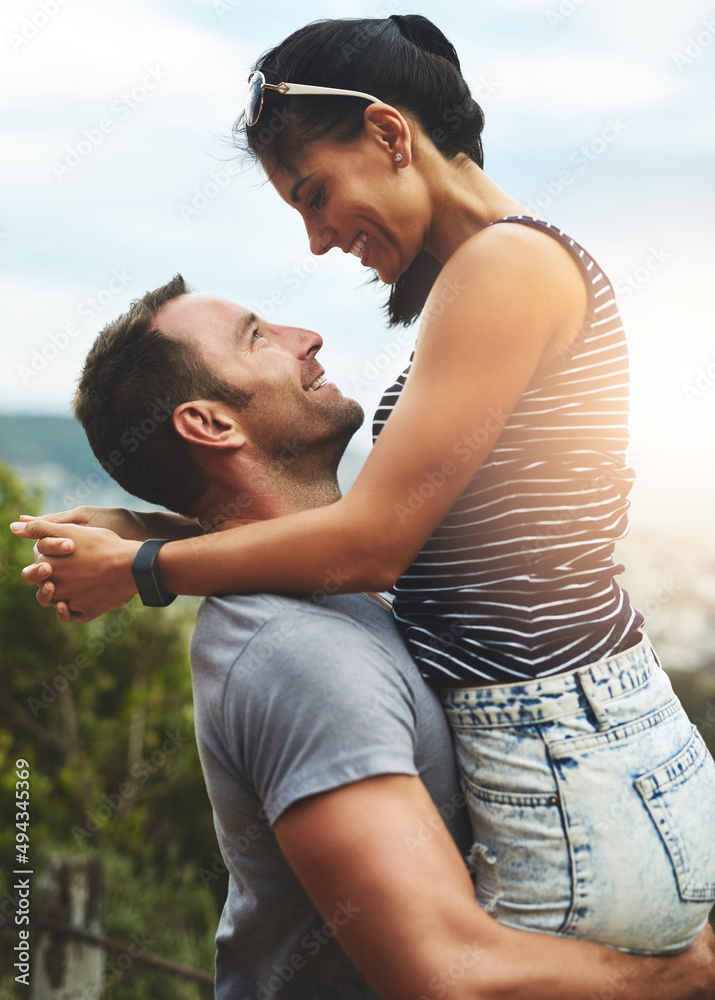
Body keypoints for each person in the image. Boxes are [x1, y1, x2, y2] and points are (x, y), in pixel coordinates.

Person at [15, 14, 715, 956]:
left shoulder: (503, 266)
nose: (313, 240)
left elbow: (373, 545)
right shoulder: (498, 267)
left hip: (562, 754)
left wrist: (144, 567)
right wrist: (151, 521)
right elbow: (416, 531)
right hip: (568, 749)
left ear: (390, 134)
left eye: (313, 193)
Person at [18, 275, 715, 998]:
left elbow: (322, 543)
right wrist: (681, 979)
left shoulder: (344, 586)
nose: (306, 336)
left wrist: (150, 536)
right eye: (258, 336)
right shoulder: (296, 654)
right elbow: (444, 974)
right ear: (213, 425)